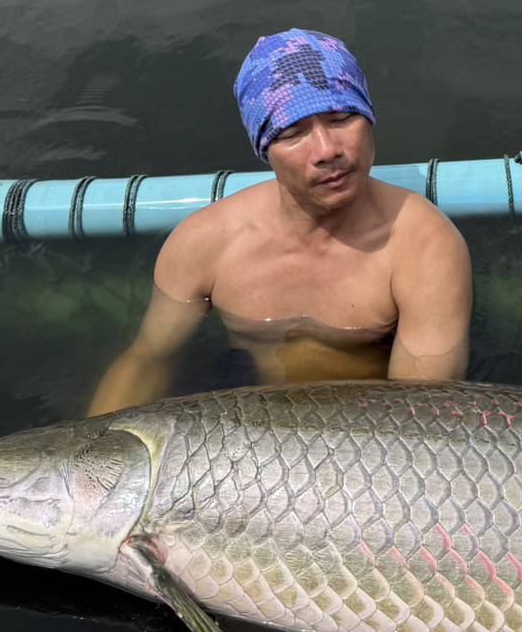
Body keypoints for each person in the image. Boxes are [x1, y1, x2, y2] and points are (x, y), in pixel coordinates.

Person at [88, 29, 472, 416]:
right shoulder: (205, 243)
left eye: (341, 118)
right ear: (264, 149)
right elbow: (149, 357)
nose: (326, 151)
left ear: (370, 118)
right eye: (293, 134)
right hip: (252, 421)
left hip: (368, 433)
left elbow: (420, 410)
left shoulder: (422, 243)